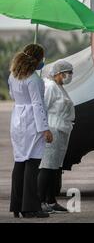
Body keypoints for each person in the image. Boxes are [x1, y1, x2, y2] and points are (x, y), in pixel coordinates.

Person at [8, 44, 53, 218]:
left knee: (19, 162)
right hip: (31, 123)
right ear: (37, 59)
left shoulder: (13, 76)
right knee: (32, 164)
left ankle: (17, 205)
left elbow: (13, 95)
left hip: (17, 119)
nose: (43, 61)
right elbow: (37, 104)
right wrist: (45, 129)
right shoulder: (34, 79)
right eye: (42, 58)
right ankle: (31, 207)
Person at [38, 60, 75, 214]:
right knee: (46, 166)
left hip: (61, 131)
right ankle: (39, 201)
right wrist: (44, 129)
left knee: (55, 167)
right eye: (68, 73)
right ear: (59, 73)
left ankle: (51, 200)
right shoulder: (50, 87)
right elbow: (42, 108)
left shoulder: (59, 87)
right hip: (52, 130)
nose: (70, 76)